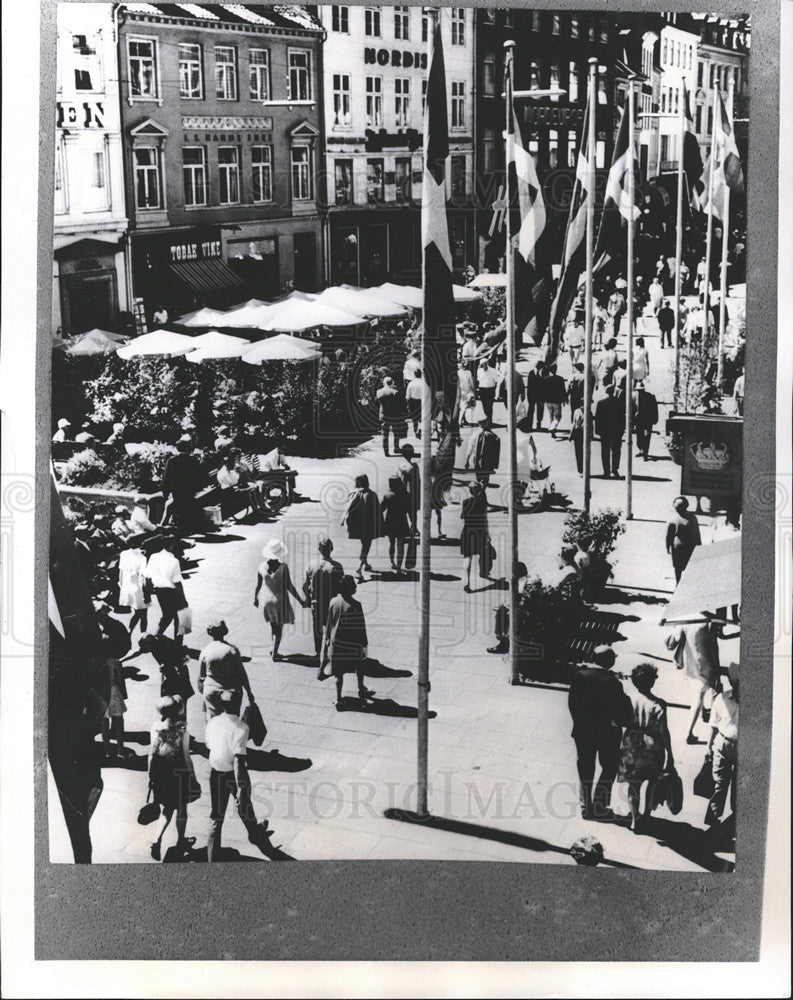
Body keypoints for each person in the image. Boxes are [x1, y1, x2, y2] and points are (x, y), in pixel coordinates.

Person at [205, 691, 272, 862]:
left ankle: (212, 854)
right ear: (238, 704)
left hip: (215, 772)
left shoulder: (212, 722)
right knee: (244, 805)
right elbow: (238, 761)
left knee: (216, 816)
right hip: (233, 775)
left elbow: (209, 745)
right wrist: (242, 788)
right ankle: (255, 835)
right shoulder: (241, 728)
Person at [567, 646, 631, 820]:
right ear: (611, 661)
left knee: (585, 767)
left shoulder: (579, 677)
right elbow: (622, 714)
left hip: (583, 732)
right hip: (607, 734)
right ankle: (600, 804)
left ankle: (585, 806)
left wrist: (579, 723)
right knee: (609, 767)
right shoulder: (614, 684)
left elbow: (572, 704)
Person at [616, 663, 675, 833]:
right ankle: (647, 815)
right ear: (651, 682)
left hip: (631, 744)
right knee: (652, 782)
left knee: (633, 785)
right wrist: (670, 755)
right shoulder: (659, 705)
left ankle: (635, 819)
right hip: (653, 746)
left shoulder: (628, 698)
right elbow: (665, 732)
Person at [148, 694, 199, 861]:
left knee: (166, 809)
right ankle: (180, 841)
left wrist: (150, 774)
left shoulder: (156, 727)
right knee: (182, 808)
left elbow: (151, 753)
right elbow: (186, 756)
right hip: (179, 774)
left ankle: (157, 839)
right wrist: (192, 776)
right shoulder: (182, 730)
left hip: (161, 774)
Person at [666, 620, 722, 744]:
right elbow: (713, 648)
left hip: (691, 663)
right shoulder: (708, 622)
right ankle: (692, 733)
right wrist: (717, 671)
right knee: (707, 694)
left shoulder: (685, 619)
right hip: (706, 663)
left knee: (698, 694)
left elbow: (673, 641)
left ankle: (697, 723)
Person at [321, 575, 374, 707]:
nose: (355, 587)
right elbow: (361, 627)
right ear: (351, 589)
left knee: (338, 673)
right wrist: (364, 644)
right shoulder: (356, 606)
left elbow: (329, 622)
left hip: (336, 643)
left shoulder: (333, 601)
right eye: (354, 586)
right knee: (359, 666)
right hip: (352, 643)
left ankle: (338, 698)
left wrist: (327, 638)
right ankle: (361, 688)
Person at [253, 538, 307, 660]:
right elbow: (289, 586)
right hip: (279, 601)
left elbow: (258, 585)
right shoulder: (283, 567)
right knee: (279, 628)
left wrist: (255, 599)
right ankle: (275, 652)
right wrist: (301, 601)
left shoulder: (261, 567)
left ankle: (273, 647)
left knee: (273, 626)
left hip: (266, 600)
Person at [704, 665, 739, 833]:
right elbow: (713, 725)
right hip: (722, 745)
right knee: (719, 784)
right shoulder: (720, 699)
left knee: (739, 786)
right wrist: (708, 747)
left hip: (744, 748)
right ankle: (713, 819)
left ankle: (736, 816)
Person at [198, 620, 254, 719]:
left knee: (213, 721)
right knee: (232, 720)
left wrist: (204, 690)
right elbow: (242, 674)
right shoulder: (232, 650)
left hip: (211, 691)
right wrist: (249, 692)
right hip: (231, 691)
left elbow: (202, 677)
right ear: (224, 632)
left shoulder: (205, 650)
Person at [303, 536, 344, 668]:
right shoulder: (337, 566)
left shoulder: (311, 564)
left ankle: (318, 652)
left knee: (317, 628)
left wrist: (308, 599)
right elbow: (342, 586)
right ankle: (332, 652)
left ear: (319, 549)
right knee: (333, 627)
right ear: (331, 549)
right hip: (332, 602)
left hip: (316, 602)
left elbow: (304, 585)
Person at [145, 537, 188, 643]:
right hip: (172, 592)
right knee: (181, 617)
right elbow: (177, 582)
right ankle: (178, 643)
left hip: (160, 592)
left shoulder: (153, 557)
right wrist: (183, 599)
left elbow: (148, 577)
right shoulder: (174, 561)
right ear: (171, 546)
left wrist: (147, 593)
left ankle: (156, 636)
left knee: (167, 616)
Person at [138, 633, 194, 713]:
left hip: (178, 672)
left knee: (181, 695)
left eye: (145, 646)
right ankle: (168, 710)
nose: (144, 649)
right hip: (168, 672)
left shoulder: (166, 643)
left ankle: (178, 714)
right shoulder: (152, 643)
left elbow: (182, 658)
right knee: (167, 693)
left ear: (150, 643)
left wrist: (167, 664)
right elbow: (138, 652)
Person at [342, 473, 383, 581]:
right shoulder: (371, 494)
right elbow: (377, 511)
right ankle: (359, 567)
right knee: (366, 545)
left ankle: (365, 563)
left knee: (363, 544)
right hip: (367, 525)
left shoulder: (352, 493)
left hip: (356, 525)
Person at [160, 435, 202, 528]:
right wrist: (196, 488)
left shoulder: (172, 460)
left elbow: (166, 478)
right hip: (190, 491)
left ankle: (172, 525)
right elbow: (201, 476)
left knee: (174, 505)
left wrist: (166, 492)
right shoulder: (193, 460)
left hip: (177, 491)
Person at [460, 480, 490, 593]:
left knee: (467, 558)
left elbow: (463, 519)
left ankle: (466, 582)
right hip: (479, 532)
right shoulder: (482, 502)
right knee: (482, 553)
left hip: (467, 532)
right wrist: (487, 533)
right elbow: (485, 519)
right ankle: (484, 572)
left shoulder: (465, 502)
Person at [665, 496, 701, 583]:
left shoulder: (672, 519)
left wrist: (668, 547)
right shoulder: (693, 517)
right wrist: (699, 545)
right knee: (687, 567)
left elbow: (669, 536)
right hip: (688, 547)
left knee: (678, 568)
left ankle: (678, 583)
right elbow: (697, 533)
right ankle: (683, 583)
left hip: (678, 548)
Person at [118, 539, 149, 637]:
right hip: (138, 589)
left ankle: (130, 632)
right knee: (143, 614)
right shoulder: (142, 558)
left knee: (138, 612)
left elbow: (121, 573)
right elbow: (142, 578)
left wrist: (122, 586)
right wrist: (145, 594)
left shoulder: (123, 554)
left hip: (126, 587)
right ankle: (141, 636)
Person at [380, 475, 412, 574]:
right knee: (400, 545)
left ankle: (392, 562)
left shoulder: (387, 495)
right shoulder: (405, 494)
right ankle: (399, 566)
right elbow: (410, 511)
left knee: (392, 543)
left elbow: (381, 509)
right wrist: (413, 523)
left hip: (390, 522)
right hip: (402, 521)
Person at [594, 384, 625, 479]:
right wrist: (623, 428)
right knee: (616, 450)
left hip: (605, 431)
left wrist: (597, 430)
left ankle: (606, 471)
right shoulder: (620, 402)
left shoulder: (601, 403)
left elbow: (598, 418)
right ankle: (615, 469)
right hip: (617, 430)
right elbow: (622, 416)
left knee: (605, 451)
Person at [102, 654, 128, 757]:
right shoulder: (116, 662)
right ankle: (120, 751)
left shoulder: (95, 662)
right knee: (119, 723)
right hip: (114, 693)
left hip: (102, 694)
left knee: (104, 724)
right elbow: (120, 680)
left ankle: (107, 751)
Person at [464, 417, 501, 488]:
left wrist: (467, 461)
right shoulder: (494, 436)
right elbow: (496, 452)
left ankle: (480, 489)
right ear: (487, 423)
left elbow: (470, 449)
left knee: (479, 478)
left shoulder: (474, 435)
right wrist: (495, 464)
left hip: (477, 461)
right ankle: (483, 488)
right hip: (488, 462)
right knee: (485, 479)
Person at [376, 376, 407, 456]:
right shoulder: (395, 392)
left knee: (385, 434)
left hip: (384, 415)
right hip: (394, 415)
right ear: (391, 383)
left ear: (384, 383)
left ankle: (386, 452)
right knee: (396, 432)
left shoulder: (379, 392)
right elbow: (399, 405)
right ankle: (396, 448)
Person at [397, 443, 421, 534]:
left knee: (411, 511)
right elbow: (407, 471)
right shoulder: (407, 465)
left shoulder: (407, 464)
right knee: (409, 511)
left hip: (410, 491)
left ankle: (413, 527)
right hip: (407, 492)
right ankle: (411, 527)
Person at [634, 382, 659, 461]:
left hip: (648, 420)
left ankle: (645, 454)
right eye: (638, 390)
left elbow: (655, 409)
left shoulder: (650, 396)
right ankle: (641, 450)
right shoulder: (633, 396)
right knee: (639, 438)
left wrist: (655, 419)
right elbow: (631, 408)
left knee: (647, 437)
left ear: (644, 389)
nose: (639, 391)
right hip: (638, 420)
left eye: (641, 390)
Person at [542, 363, 566, 439]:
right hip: (556, 401)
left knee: (551, 415)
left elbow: (543, 391)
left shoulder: (545, 379)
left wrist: (542, 400)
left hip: (548, 401)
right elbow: (562, 390)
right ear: (556, 370)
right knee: (558, 416)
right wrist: (564, 399)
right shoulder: (560, 379)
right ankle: (552, 428)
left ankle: (552, 430)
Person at [476, 357, 498, 424]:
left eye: (485, 364)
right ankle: (487, 419)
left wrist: (495, 391)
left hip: (490, 390)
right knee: (484, 405)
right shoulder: (479, 371)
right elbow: (478, 380)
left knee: (490, 406)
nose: (484, 366)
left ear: (487, 364)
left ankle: (489, 420)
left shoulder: (493, 371)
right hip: (482, 390)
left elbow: (496, 381)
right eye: (482, 365)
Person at [525, 360, 545, 431]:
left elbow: (545, 386)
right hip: (532, 396)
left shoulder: (544, 373)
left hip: (540, 396)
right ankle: (529, 425)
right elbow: (529, 386)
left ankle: (538, 423)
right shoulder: (531, 373)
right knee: (530, 411)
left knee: (540, 410)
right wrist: (528, 396)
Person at [569, 407, 585, 475]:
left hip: (578, 432)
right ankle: (581, 469)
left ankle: (581, 470)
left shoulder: (576, 411)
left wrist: (570, 434)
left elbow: (574, 424)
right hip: (581, 432)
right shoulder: (588, 412)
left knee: (579, 451)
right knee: (581, 451)